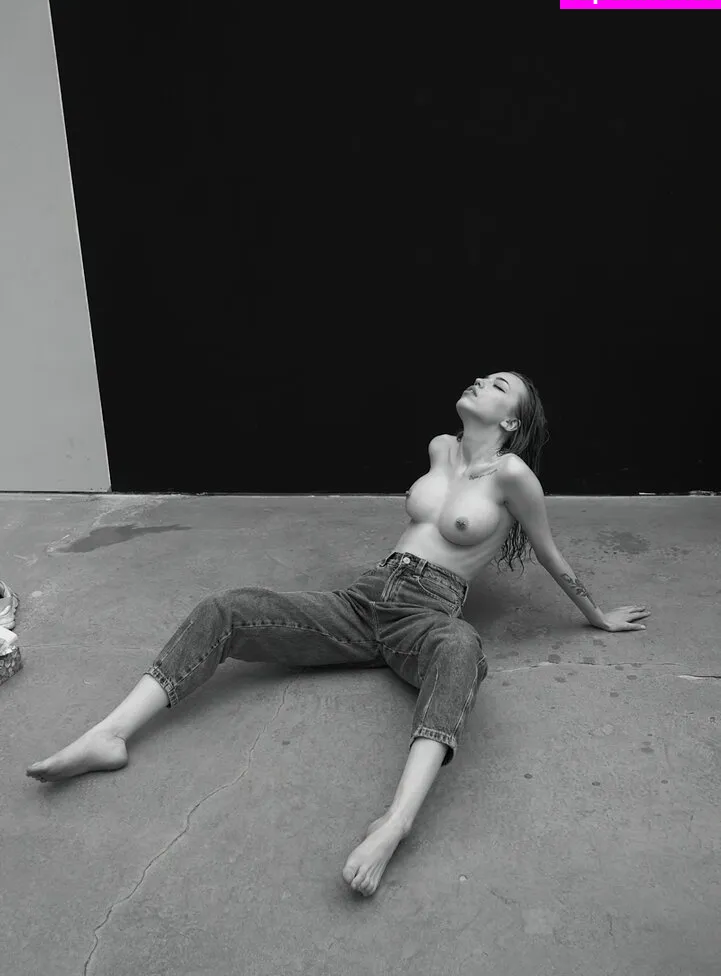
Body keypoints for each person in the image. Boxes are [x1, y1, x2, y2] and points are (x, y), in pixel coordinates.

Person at [27, 371, 651, 896]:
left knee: (462, 647)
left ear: (511, 419)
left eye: (497, 385)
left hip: (428, 614)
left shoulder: (513, 475)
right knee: (227, 608)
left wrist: (596, 614)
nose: (479, 382)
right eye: (482, 376)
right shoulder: (441, 448)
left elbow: (548, 552)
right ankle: (109, 735)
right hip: (364, 598)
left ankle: (395, 823)